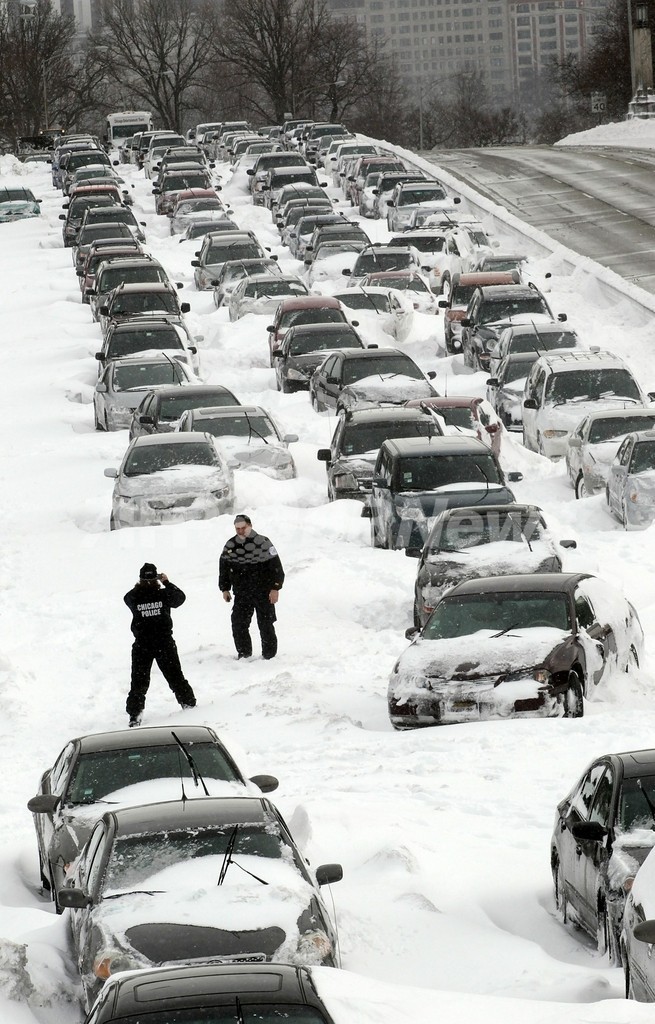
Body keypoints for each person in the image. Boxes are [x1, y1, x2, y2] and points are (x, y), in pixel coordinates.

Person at [123, 563, 196, 727]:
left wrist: (149, 585)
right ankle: (187, 704)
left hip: (153, 643)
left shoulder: (139, 596)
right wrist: (166, 582)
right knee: (150, 679)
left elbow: (180, 599)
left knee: (152, 679)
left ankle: (136, 714)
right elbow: (179, 597)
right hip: (154, 643)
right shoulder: (161, 594)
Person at [219, 514, 284, 660]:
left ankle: (269, 655)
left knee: (265, 624)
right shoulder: (230, 546)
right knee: (238, 624)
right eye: (237, 529)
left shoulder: (264, 543)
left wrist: (275, 588)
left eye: (243, 528)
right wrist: (225, 588)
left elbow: (276, 567)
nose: (241, 531)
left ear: (250, 526)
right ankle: (244, 653)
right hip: (242, 593)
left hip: (264, 592)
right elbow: (224, 567)